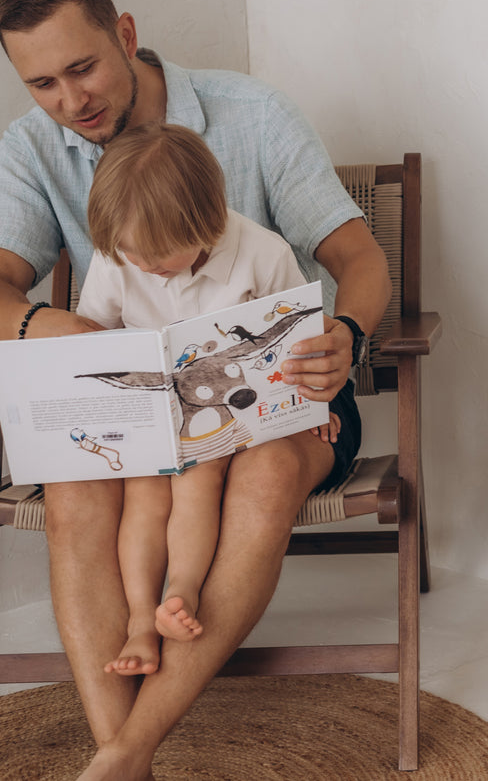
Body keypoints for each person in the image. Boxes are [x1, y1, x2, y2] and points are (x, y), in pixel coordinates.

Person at [0, 0, 391, 781]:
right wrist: (52, 327)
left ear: (125, 35)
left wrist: (346, 332)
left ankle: (124, 753)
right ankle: (127, 763)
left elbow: (359, 257)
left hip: (282, 415)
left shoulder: (252, 116)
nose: (70, 102)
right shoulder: (35, 147)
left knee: (263, 474)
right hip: (147, 427)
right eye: (42, 84)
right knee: (78, 480)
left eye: (83, 68)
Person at [77, 122, 337, 679]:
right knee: (144, 494)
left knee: (198, 477)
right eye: (130, 251)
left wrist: (313, 406)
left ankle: (182, 593)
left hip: (227, 424)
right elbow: (90, 342)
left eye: (159, 253)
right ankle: (141, 624)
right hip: (148, 421)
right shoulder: (116, 261)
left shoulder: (263, 254)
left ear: (207, 221)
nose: (144, 265)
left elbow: (299, 347)